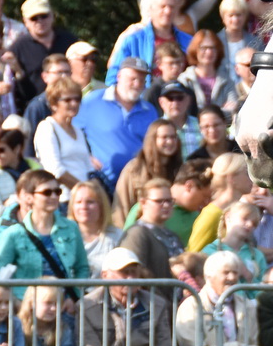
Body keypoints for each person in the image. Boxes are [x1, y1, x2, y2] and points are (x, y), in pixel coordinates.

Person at [0, 169, 89, 294]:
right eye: (47, 192)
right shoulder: (13, 234)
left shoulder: (71, 227)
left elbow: (82, 268)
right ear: (29, 197)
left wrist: (75, 297)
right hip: (26, 308)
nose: (54, 196)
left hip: (65, 306)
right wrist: (18, 302)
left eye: (57, 191)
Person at [74, 57, 158, 185]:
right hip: (101, 181)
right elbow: (71, 131)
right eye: (133, 79)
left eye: (142, 80)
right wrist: (86, 156)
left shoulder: (149, 110)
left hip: (138, 182)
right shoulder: (93, 101)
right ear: (119, 76)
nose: (137, 84)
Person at [106, 0, 190, 85]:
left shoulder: (189, 41)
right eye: (162, 6)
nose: (167, 11)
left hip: (177, 97)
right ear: (151, 9)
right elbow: (113, 76)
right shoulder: (133, 40)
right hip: (142, 97)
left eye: (171, 7)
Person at [111, 119, 184, 228]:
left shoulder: (181, 170)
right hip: (139, 232)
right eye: (164, 137)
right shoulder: (134, 169)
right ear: (153, 139)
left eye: (173, 137)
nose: (170, 141)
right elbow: (121, 207)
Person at [33, 79, 102, 189]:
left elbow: (88, 166)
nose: (74, 103)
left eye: (77, 99)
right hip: (62, 198)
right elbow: (55, 170)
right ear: (54, 103)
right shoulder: (47, 128)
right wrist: (84, 189)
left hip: (84, 198)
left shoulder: (77, 130)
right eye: (67, 100)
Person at [116, 179, 184, 278]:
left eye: (169, 201)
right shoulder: (136, 234)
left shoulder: (172, 235)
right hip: (152, 293)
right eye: (159, 201)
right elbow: (136, 273)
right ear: (143, 203)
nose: (166, 205)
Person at [8, 0, 75, 94]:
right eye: (34, 18)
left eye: (44, 16)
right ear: (25, 21)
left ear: (52, 15)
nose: (40, 21)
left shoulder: (70, 41)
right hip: (33, 104)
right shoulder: (18, 48)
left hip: (69, 100)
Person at [186, 153, 252, 252]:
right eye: (247, 173)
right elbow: (194, 255)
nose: (252, 178)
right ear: (231, 178)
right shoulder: (212, 215)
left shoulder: (234, 210)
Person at [201, 198, 269, 292]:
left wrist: (248, 277)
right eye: (245, 219)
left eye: (254, 224)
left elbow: (261, 294)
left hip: (247, 305)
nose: (249, 224)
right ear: (228, 217)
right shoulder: (210, 250)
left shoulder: (257, 256)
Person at [0, 130, 35, 220]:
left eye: (1, 150)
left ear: (17, 149)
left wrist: (8, 202)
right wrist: (18, 199)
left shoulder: (37, 172)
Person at [179, 30, 238, 112]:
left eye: (212, 48)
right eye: (204, 48)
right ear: (195, 50)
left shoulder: (226, 80)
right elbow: (184, 111)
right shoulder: (185, 80)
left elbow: (233, 110)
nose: (209, 52)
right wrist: (221, 111)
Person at [69, 180, 119, 265]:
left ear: (101, 206)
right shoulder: (63, 238)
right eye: (78, 202)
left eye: (90, 202)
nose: (84, 207)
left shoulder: (117, 236)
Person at [216, 0, 262, 79]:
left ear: (245, 16)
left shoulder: (256, 42)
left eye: (239, 15)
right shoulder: (215, 42)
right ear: (223, 17)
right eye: (231, 15)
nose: (235, 19)